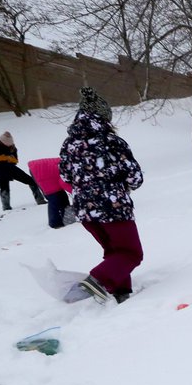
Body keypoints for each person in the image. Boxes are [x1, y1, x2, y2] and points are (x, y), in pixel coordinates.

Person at [59, 87, 145, 304]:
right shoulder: (112, 142)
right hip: (112, 207)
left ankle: (121, 291)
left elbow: (65, 176)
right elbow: (135, 177)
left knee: (114, 251)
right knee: (131, 253)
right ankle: (97, 280)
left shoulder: (69, 144)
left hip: (84, 210)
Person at [0, 131, 47, 211]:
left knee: (31, 181)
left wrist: (12, 159)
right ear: (2, 142)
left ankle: (40, 200)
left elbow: (15, 160)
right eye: (7, 144)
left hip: (11, 168)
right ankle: (6, 207)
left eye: (10, 144)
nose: (9, 145)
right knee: (4, 188)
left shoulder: (12, 147)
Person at [27, 157, 75, 228]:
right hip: (41, 173)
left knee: (62, 197)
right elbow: (65, 183)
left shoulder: (72, 166)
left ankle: (68, 219)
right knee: (54, 198)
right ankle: (55, 223)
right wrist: (75, 193)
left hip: (47, 172)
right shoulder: (70, 169)